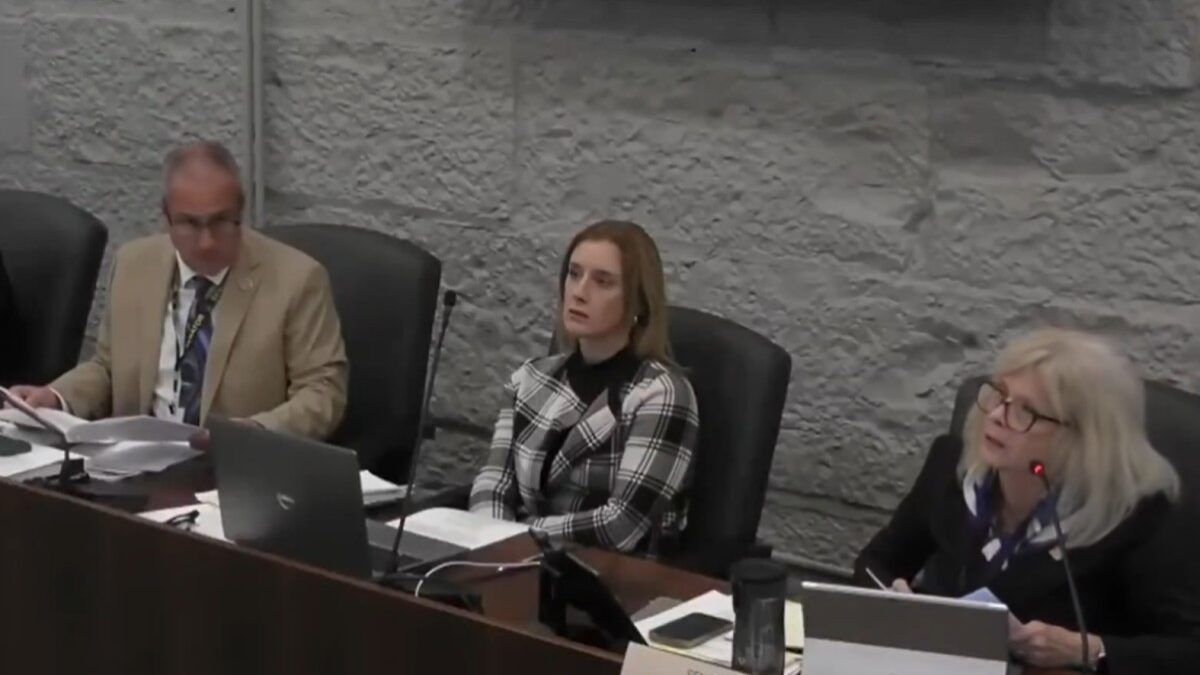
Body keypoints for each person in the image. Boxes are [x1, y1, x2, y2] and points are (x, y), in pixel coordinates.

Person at [855, 328, 1200, 674]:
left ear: (1084, 437)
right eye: (999, 395)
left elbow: (1188, 651)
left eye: (1027, 411)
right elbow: (875, 562)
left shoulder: (1138, 516)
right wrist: (892, 600)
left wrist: (1087, 650)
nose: (996, 416)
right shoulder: (952, 467)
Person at [9, 141, 348, 440]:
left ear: (240, 212)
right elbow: (108, 368)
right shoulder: (134, 264)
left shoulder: (297, 280)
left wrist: (252, 433)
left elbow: (323, 393)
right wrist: (56, 397)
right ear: (167, 216)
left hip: (230, 468)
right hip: (137, 461)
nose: (207, 242)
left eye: (220, 221)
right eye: (190, 223)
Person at [469, 220, 699, 552]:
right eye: (574, 274)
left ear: (638, 302)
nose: (579, 292)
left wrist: (519, 534)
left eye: (602, 281)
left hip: (609, 572)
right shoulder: (530, 378)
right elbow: (493, 484)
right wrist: (489, 544)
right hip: (514, 559)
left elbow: (621, 526)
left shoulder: (660, 394)